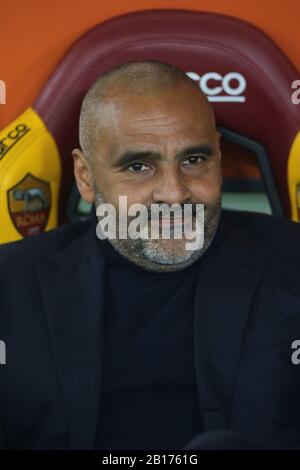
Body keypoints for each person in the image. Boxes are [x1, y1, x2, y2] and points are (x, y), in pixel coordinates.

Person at [0, 61, 300, 450]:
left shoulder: (292, 260)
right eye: (139, 166)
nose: (175, 194)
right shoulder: (9, 286)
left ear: (219, 159)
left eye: (194, 160)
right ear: (86, 177)